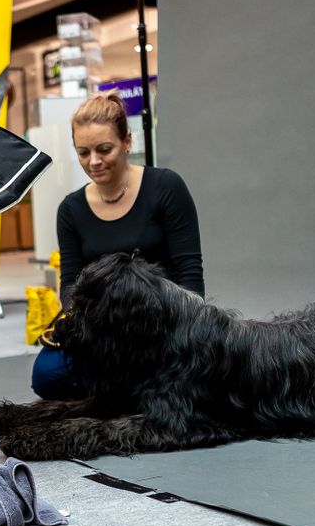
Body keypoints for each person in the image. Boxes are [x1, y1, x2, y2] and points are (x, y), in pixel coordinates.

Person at [33, 91, 205, 400]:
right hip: (103, 331)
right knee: (46, 376)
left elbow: (190, 275)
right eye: (83, 152)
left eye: (104, 149)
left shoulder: (166, 187)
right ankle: (134, 387)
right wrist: (98, 333)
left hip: (162, 326)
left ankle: (126, 387)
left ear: (127, 142)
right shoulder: (70, 210)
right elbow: (69, 287)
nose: (94, 161)